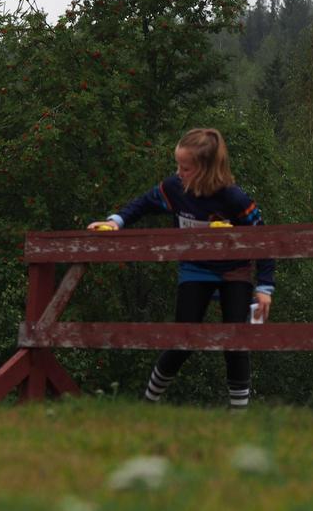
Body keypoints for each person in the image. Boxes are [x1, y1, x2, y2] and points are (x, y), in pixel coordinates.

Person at [87, 128, 275, 409]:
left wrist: (264, 287)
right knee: (182, 338)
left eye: (185, 168)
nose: (178, 172)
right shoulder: (174, 189)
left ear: (206, 170)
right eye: (178, 165)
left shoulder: (235, 199)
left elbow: (265, 239)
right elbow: (143, 203)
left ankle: (239, 415)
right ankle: (148, 404)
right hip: (195, 268)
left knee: (235, 341)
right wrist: (116, 221)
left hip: (235, 271)